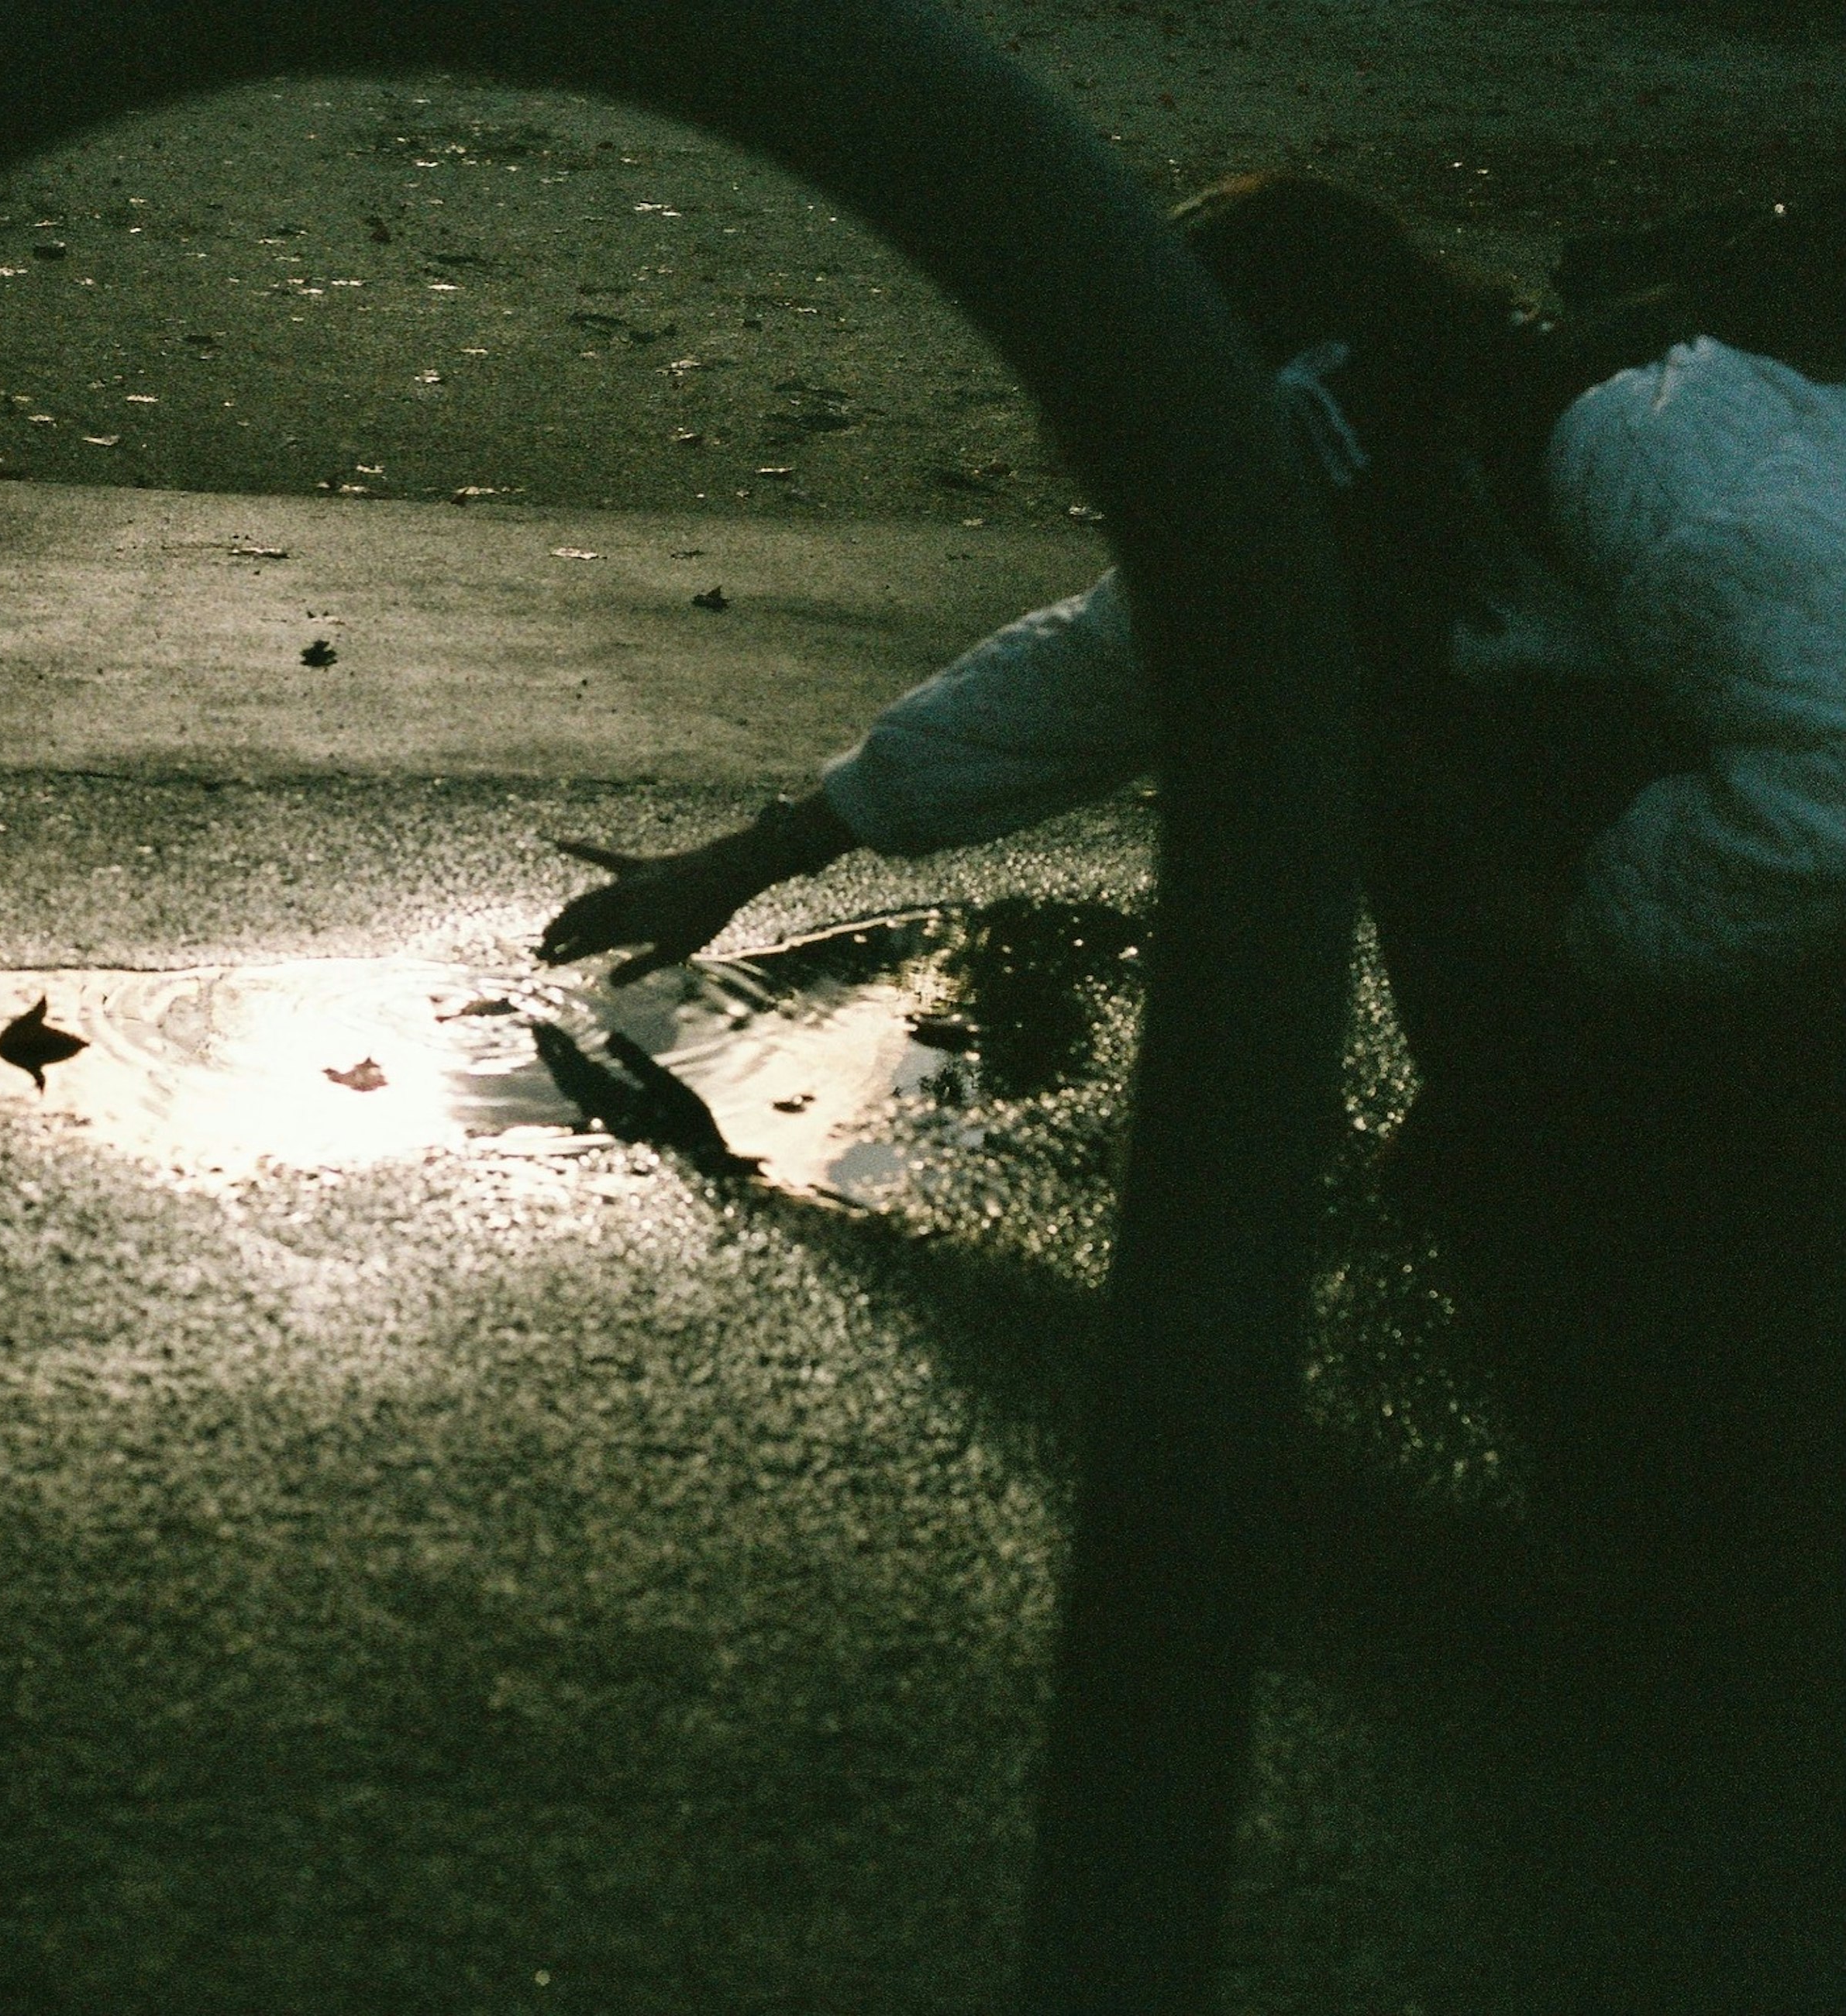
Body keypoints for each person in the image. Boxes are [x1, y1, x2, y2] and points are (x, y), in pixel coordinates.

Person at [542, 172, 1846, 1563]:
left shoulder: (1648, 448)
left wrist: (1580, 937)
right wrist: (761, 853)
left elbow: (1823, 785)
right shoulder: (1372, 489)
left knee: (1441, 755)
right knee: (1396, 734)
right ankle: (1583, 1128)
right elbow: (1097, 672)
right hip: (1687, 897)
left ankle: (1700, 1173)